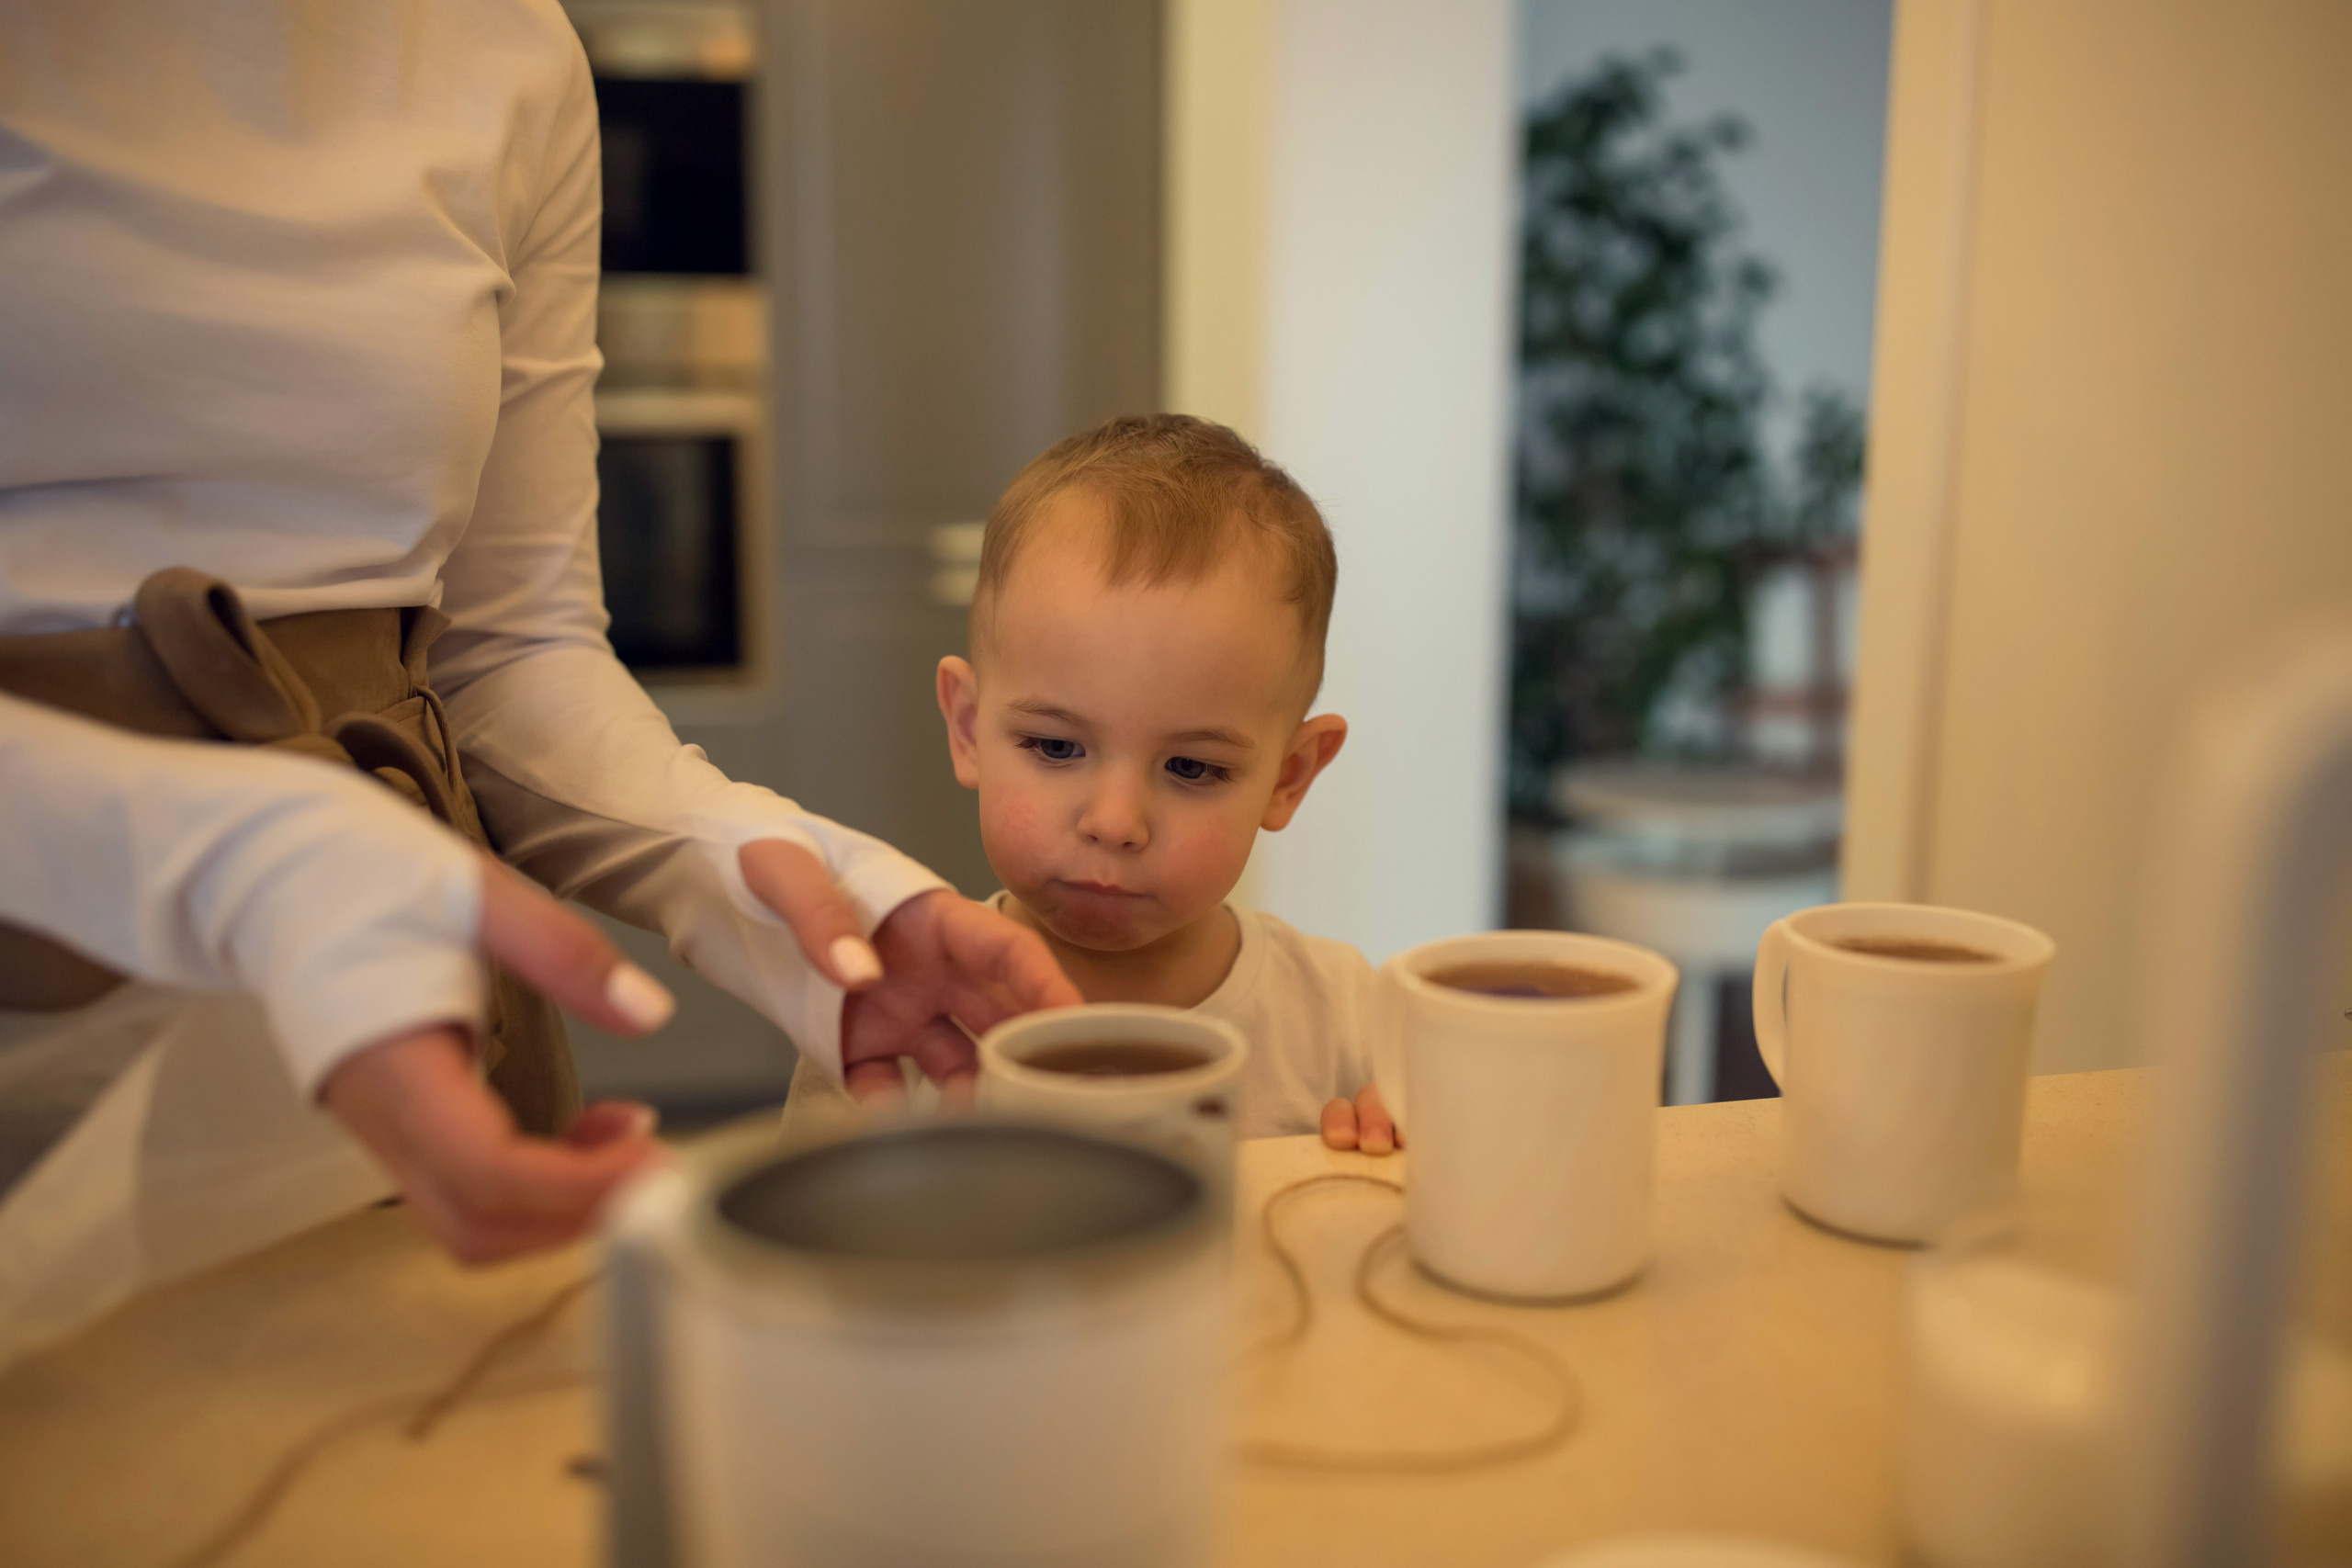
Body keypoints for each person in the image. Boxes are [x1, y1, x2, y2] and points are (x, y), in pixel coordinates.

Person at [0, 0, 1075, 1367]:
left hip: (426, 1019)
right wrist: (230, 862)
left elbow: (509, 650)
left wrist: (772, 877)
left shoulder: (503, 45)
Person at [782, 413, 1400, 1150]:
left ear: (1287, 777)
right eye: (1054, 745)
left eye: (1192, 767)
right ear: (970, 728)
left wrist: (1393, 1152)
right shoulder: (896, 1017)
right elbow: (799, 1256)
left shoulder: (1351, 1020)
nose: (1114, 822)